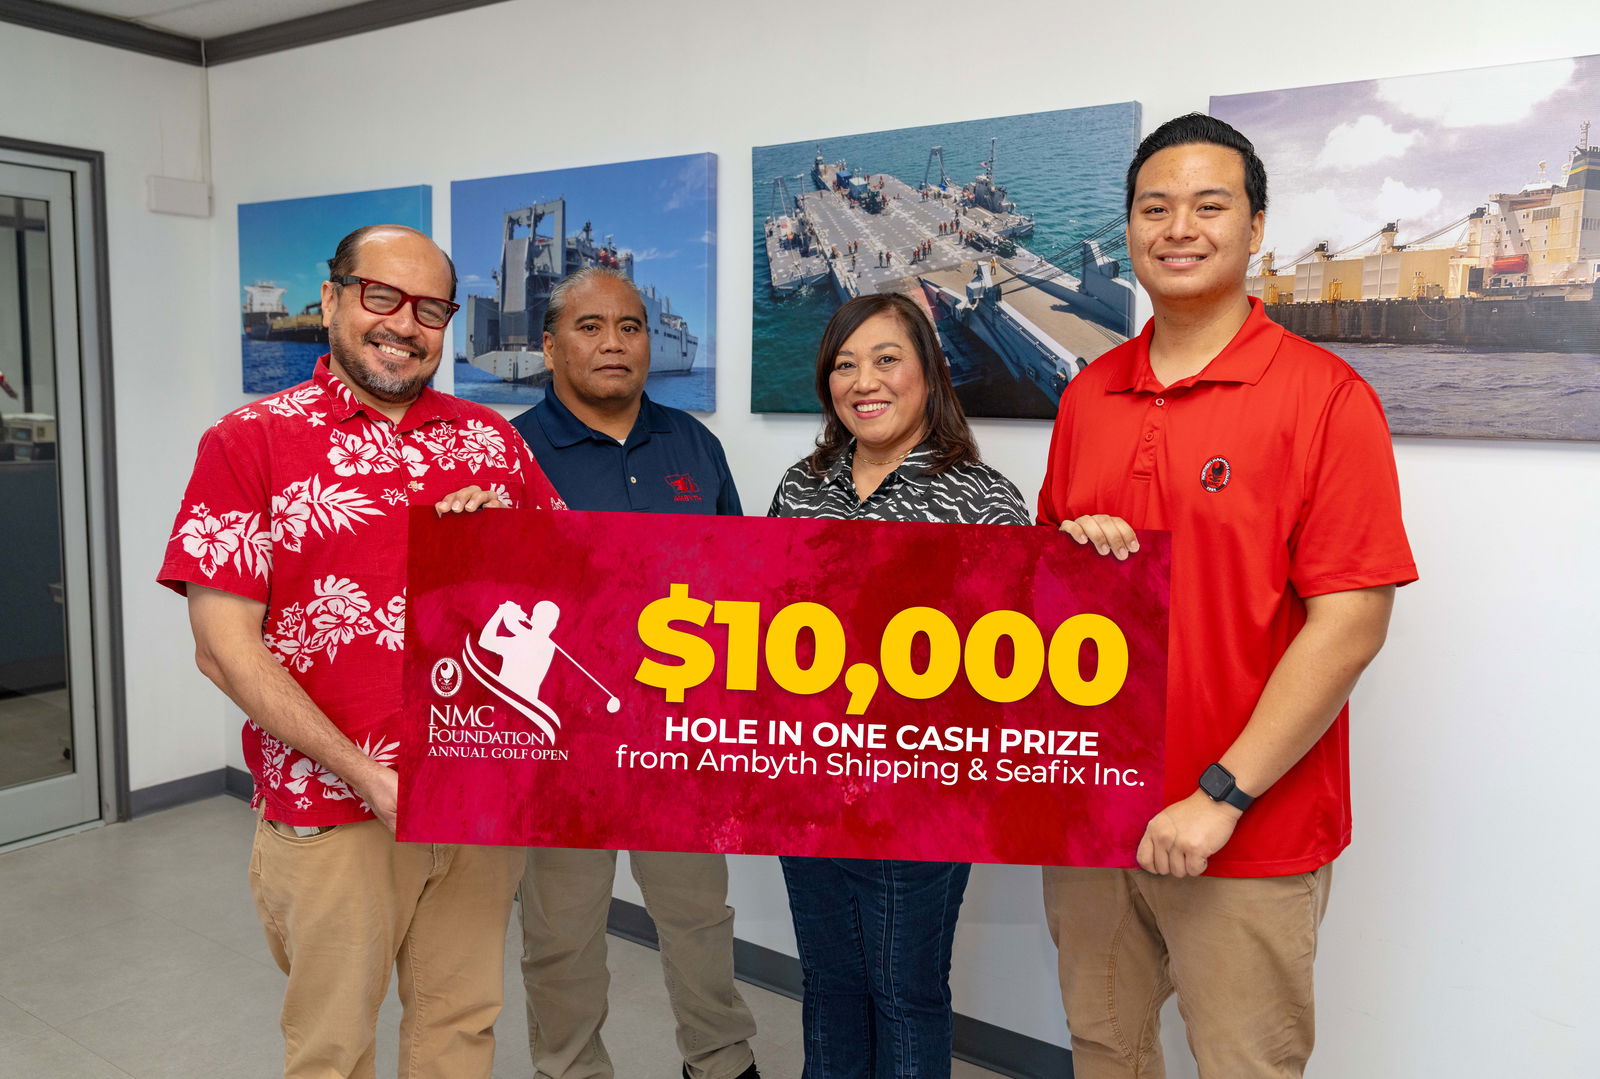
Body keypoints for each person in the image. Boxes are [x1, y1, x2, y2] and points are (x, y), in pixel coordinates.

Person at [1036, 113, 1418, 1078]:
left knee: (1244, 1063)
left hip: (1244, 827)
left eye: (1211, 206)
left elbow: (1352, 621)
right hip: (1092, 812)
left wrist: (1221, 794)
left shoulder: (1326, 397)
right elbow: (1041, 595)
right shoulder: (1088, 396)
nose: (1179, 228)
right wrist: (1068, 554)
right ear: (1127, 227)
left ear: (1256, 229)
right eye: (1154, 207)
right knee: (1103, 1044)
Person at [158, 224, 564, 1079]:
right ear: (335, 297)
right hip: (333, 807)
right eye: (382, 296)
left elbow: (580, 597)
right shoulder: (249, 441)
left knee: (460, 1029)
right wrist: (365, 771)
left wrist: (511, 542)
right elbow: (221, 648)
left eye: (430, 309)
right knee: (332, 1050)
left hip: (473, 795)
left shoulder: (493, 440)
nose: (404, 325)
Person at [768, 292, 1029, 1077]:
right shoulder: (801, 484)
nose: (863, 381)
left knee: (904, 989)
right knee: (830, 983)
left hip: (920, 794)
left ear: (928, 374)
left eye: (887, 359)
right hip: (807, 786)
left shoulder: (984, 500)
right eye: (845, 364)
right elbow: (761, 628)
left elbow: (1019, 666)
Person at [508, 265, 757, 1079]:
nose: (614, 342)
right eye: (590, 327)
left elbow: (741, 595)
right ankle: (570, 1067)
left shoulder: (693, 444)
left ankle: (720, 1061)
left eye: (631, 325)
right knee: (561, 932)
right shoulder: (506, 453)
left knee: (699, 917)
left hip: (675, 741)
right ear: (549, 346)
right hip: (556, 749)